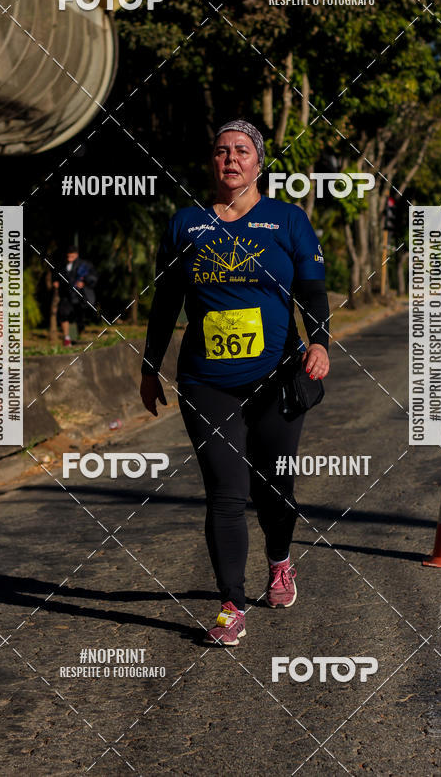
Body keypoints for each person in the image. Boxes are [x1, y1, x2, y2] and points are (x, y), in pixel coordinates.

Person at [140, 119, 329, 646]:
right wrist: (150, 366)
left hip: (276, 377)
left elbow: (313, 293)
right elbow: (165, 303)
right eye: (221, 150)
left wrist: (319, 342)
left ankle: (279, 560)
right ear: (212, 161)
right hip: (206, 382)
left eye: (241, 151)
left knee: (275, 489)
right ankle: (230, 606)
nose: (230, 159)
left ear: (258, 162)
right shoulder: (186, 224)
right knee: (225, 491)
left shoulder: (288, 220)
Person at [53, 245, 97, 346]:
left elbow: (93, 277)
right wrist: (56, 281)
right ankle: (67, 339)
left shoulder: (84, 265)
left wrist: (84, 283)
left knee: (77, 319)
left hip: (79, 296)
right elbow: (56, 275)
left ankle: (74, 338)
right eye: (68, 257)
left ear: (76, 255)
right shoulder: (62, 264)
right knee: (64, 314)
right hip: (66, 295)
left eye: (71, 257)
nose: (69, 259)